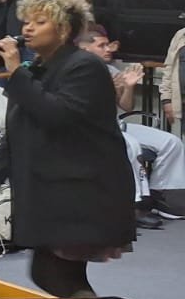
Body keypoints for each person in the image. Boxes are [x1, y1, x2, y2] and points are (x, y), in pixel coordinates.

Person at [0, 0, 135, 299]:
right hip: (58, 190)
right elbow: (19, 130)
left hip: (86, 190)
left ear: (63, 29)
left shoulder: (85, 66)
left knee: (56, 274)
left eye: (39, 22)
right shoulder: (38, 71)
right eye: (27, 22)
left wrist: (17, 71)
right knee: (53, 274)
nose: (27, 28)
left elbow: (56, 115)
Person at [77, 31, 185, 223]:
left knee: (172, 142)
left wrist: (129, 87)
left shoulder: (110, 70)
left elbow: (127, 106)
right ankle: (136, 206)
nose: (108, 49)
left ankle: (161, 197)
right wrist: (104, 87)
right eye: (101, 45)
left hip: (117, 125)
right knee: (131, 146)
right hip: (90, 129)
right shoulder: (75, 71)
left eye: (108, 44)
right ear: (85, 49)